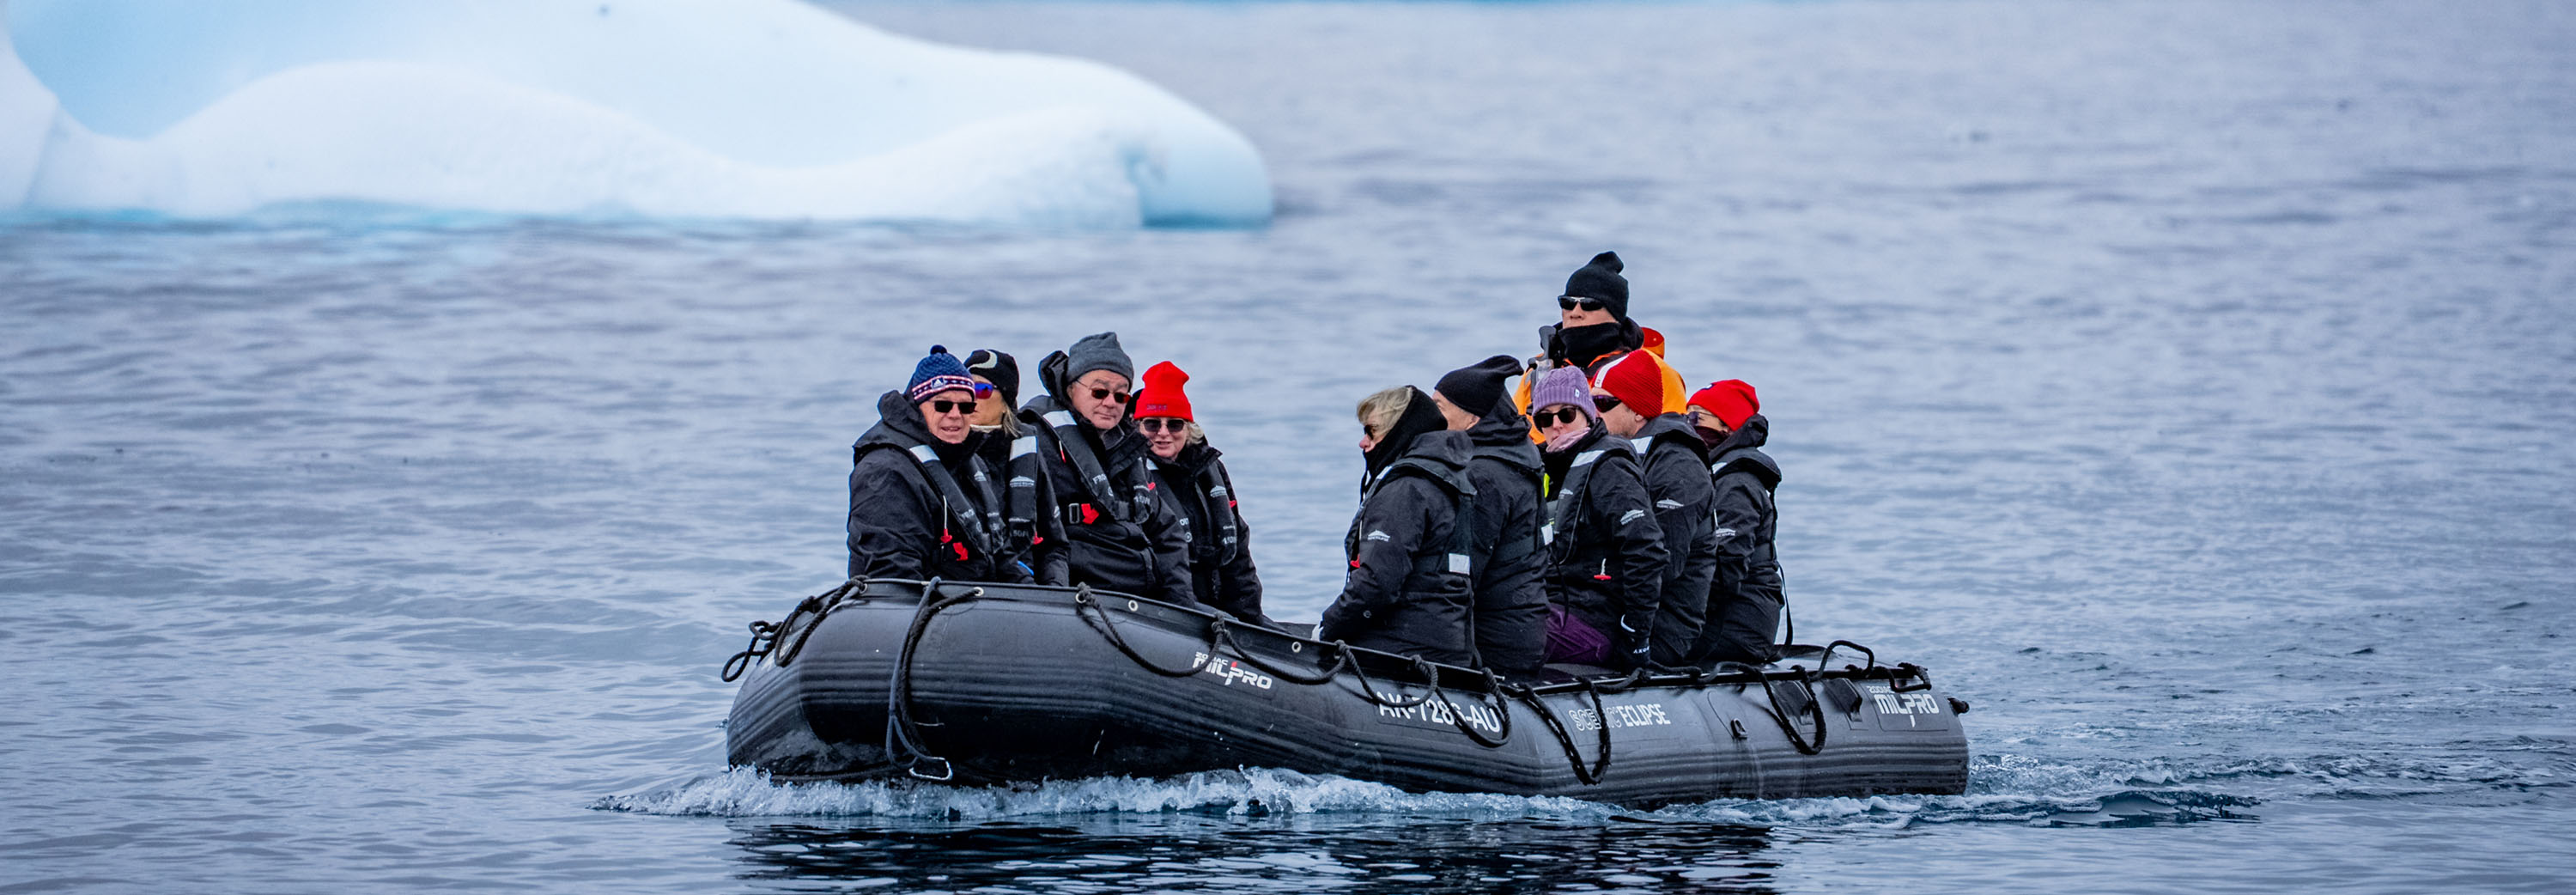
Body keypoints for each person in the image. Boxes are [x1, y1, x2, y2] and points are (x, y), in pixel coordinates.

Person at [1020, 332, 1194, 603]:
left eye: (1121, 395)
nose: (1110, 402)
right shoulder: (1037, 440)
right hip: (1082, 592)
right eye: (1099, 392)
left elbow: (1166, 532)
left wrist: (1179, 604)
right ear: (1071, 388)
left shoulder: (1128, 446)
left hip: (1140, 597)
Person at [1316, 386, 1478, 666]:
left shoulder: (1405, 490)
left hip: (1405, 647)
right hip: (1448, 643)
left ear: (1399, 432)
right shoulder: (1448, 477)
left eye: (1371, 432)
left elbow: (1376, 585)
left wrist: (1327, 629)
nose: (1363, 443)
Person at [846, 346, 1031, 583]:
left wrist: (1033, 592)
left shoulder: (970, 462)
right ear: (918, 405)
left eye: (966, 407)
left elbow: (1001, 557)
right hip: (916, 598)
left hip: (971, 596)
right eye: (942, 405)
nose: (955, 414)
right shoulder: (885, 472)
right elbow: (892, 573)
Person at [1529, 365, 1667, 669]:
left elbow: (1646, 549)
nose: (1556, 426)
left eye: (1566, 414)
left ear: (1588, 415)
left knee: (1505, 631)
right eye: (1545, 419)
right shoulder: (1546, 467)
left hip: (1594, 620)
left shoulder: (1610, 467)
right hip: (1549, 605)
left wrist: (1636, 638)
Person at [1593, 351, 1719, 667]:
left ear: (1638, 411)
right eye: (1589, 402)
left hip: (1661, 629)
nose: (1593, 413)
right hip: (1609, 609)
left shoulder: (1678, 467)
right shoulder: (1616, 456)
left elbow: (1663, 565)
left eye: (1603, 403)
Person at [1430, 355, 1549, 677]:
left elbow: (1463, 572)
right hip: (1522, 625)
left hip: (1495, 642)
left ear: (1472, 420)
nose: (1430, 417)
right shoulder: (1516, 453)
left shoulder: (1483, 476)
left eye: (1439, 408)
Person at [1134, 361, 1273, 628]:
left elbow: (1239, 551)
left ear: (1188, 428)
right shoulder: (1132, 473)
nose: (1163, 433)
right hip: (1165, 612)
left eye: (1174, 425)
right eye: (1152, 424)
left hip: (1218, 606)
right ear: (1137, 426)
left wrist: (1251, 619)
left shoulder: (1211, 469)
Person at [1512, 252, 1689, 437]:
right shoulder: (1539, 370)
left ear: (1615, 313)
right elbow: (1516, 437)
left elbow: (1673, 441)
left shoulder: (1656, 372)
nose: (1575, 312)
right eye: (1567, 303)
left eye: (1589, 304)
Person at [1686, 380, 1784, 665]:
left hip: (1738, 627)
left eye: (1696, 418)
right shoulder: (1712, 473)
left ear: (1727, 427)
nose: (1687, 425)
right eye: (1684, 416)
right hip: (1719, 619)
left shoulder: (1737, 483)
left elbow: (1726, 568)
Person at [963, 348, 1068, 586]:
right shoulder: (951, 453)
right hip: (970, 587)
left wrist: (1056, 590)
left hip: (1025, 589)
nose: (971, 398)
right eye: (966, 389)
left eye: (982, 390)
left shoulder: (1027, 452)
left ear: (1006, 401)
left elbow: (1054, 545)